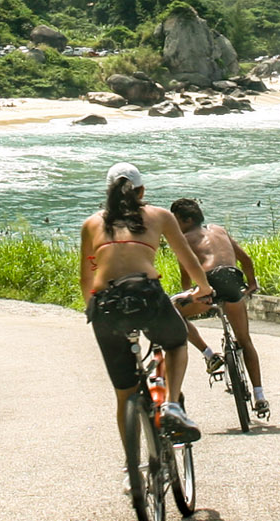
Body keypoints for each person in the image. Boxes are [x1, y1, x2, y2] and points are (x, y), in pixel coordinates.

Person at [81, 163, 212, 444]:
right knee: (176, 343)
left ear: (109, 191)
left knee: (125, 393)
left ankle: (132, 471)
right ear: (141, 190)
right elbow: (187, 257)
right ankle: (172, 406)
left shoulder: (92, 224)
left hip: (106, 305)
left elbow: (86, 281)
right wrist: (203, 288)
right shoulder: (159, 215)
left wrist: (91, 309)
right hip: (146, 295)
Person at [169, 198, 269, 418]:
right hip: (233, 281)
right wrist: (251, 284)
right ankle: (260, 396)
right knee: (245, 341)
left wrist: (190, 295)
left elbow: (187, 277)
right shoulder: (220, 230)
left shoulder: (184, 239)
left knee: (174, 315)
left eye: (176, 221)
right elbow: (246, 259)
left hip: (209, 285)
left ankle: (208, 354)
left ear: (187, 220)